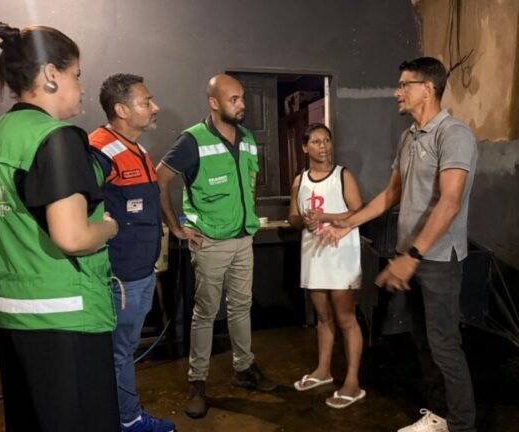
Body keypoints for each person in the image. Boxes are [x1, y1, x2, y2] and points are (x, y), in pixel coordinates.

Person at [0, 20, 119, 431]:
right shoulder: (57, 138)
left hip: (12, 317)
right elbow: (72, 236)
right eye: (77, 75)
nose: (81, 88)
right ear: (51, 74)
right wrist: (109, 228)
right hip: (65, 317)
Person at [320, 57, 478, 432]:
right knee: (422, 342)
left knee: (444, 345)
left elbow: (450, 202)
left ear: (428, 89)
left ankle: (463, 425)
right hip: (412, 257)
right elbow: (392, 194)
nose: (397, 92)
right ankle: (439, 415)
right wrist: (348, 222)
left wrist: (413, 256)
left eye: (405, 85)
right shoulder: (409, 137)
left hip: (437, 259)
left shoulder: (453, 134)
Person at [156, 74, 276, 420]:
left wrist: (247, 216)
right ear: (214, 103)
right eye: (234, 99)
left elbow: (249, 182)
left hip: (243, 238)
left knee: (241, 307)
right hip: (210, 242)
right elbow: (159, 178)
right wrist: (175, 227)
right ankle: (197, 382)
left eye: (242, 98)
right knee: (206, 312)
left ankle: (244, 368)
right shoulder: (192, 140)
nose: (242, 105)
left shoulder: (248, 138)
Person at [89, 74, 176, 432]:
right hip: (119, 277)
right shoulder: (99, 149)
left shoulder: (137, 150)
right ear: (121, 110)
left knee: (121, 351)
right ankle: (128, 420)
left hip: (140, 272)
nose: (155, 107)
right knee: (118, 352)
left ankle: (124, 416)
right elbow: (79, 209)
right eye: (146, 102)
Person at [288, 123, 366, 409]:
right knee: (323, 317)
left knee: (346, 318)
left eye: (327, 140)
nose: (323, 146)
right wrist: (305, 220)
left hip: (341, 254)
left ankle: (353, 382)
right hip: (314, 254)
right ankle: (323, 370)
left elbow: (359, 211)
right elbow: (293, 218)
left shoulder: (343, 175)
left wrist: (325, 216)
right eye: (316, 141)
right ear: (305, 147)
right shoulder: (300, 181)